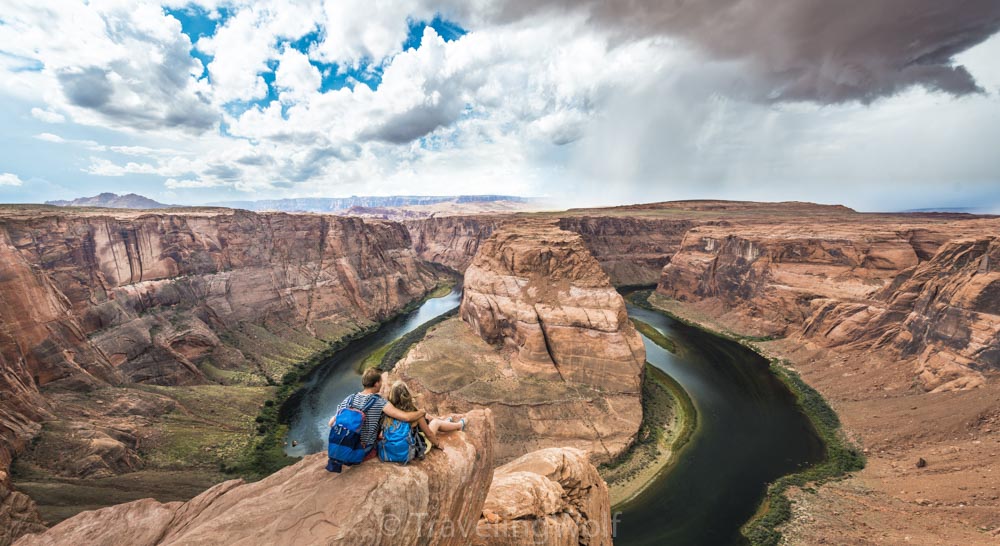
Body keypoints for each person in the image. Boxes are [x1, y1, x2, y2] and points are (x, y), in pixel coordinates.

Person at [328, 368, 424, 468]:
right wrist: (421, 412)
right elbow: (406, 417)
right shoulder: (379, 402)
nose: (382, 383)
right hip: (364, 450)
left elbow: (331, 423)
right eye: (381, 381)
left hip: (343, 448)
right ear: (376, 384)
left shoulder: (350, 399)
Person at [384, 380, 464, 456]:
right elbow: (429, 434)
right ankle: (459, 425)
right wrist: (438, 444)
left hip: (391, 449)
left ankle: (446, 423)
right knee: (436, 422)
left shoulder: (388, 411)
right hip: (412, 448)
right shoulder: (415, 414)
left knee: (428, 417)